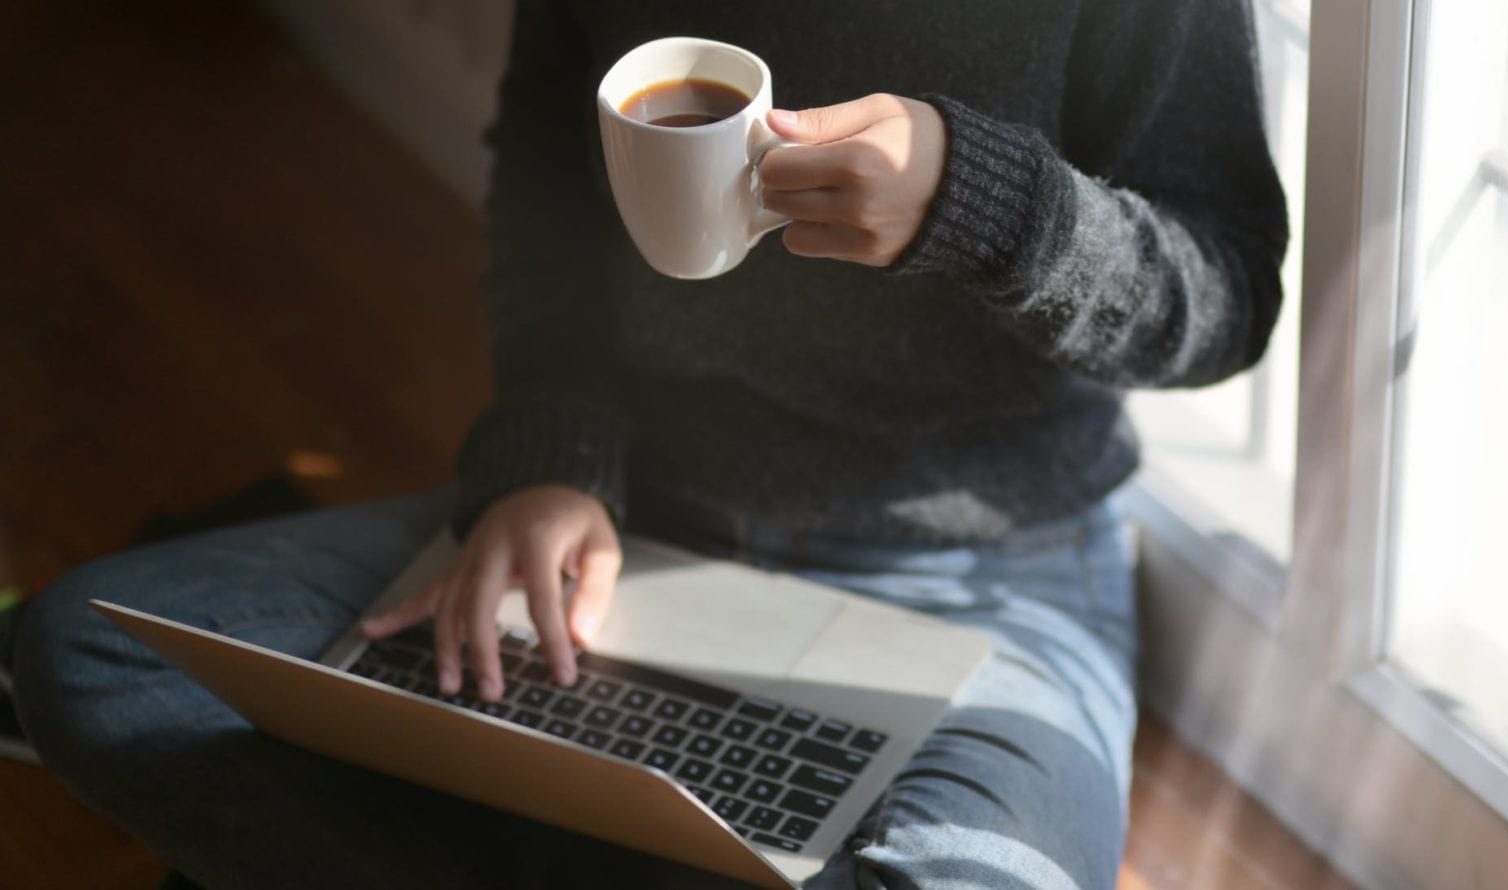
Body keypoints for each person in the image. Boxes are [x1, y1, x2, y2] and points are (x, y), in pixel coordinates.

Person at [3, 0, 1287, 886]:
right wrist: (553, 454)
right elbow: (552, 190)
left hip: (984, 574)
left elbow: (1222, 300)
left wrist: (990, 202)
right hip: (633, 521)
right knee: (92, 653)